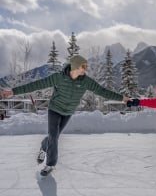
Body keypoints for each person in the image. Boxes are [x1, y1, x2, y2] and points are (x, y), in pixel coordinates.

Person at [0, 55, 130, 176]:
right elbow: (36, 85)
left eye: (86, 66)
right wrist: (12, 91)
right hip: (55, 109)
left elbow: (103, 91)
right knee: (54, 136)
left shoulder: (86, 81)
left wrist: (122, 98)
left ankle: (43, 146)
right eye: (83, 66)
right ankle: (50, 165)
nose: (86, 69)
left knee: (53, 137)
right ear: (75, 67)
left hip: (68, 112)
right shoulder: (59, 77)